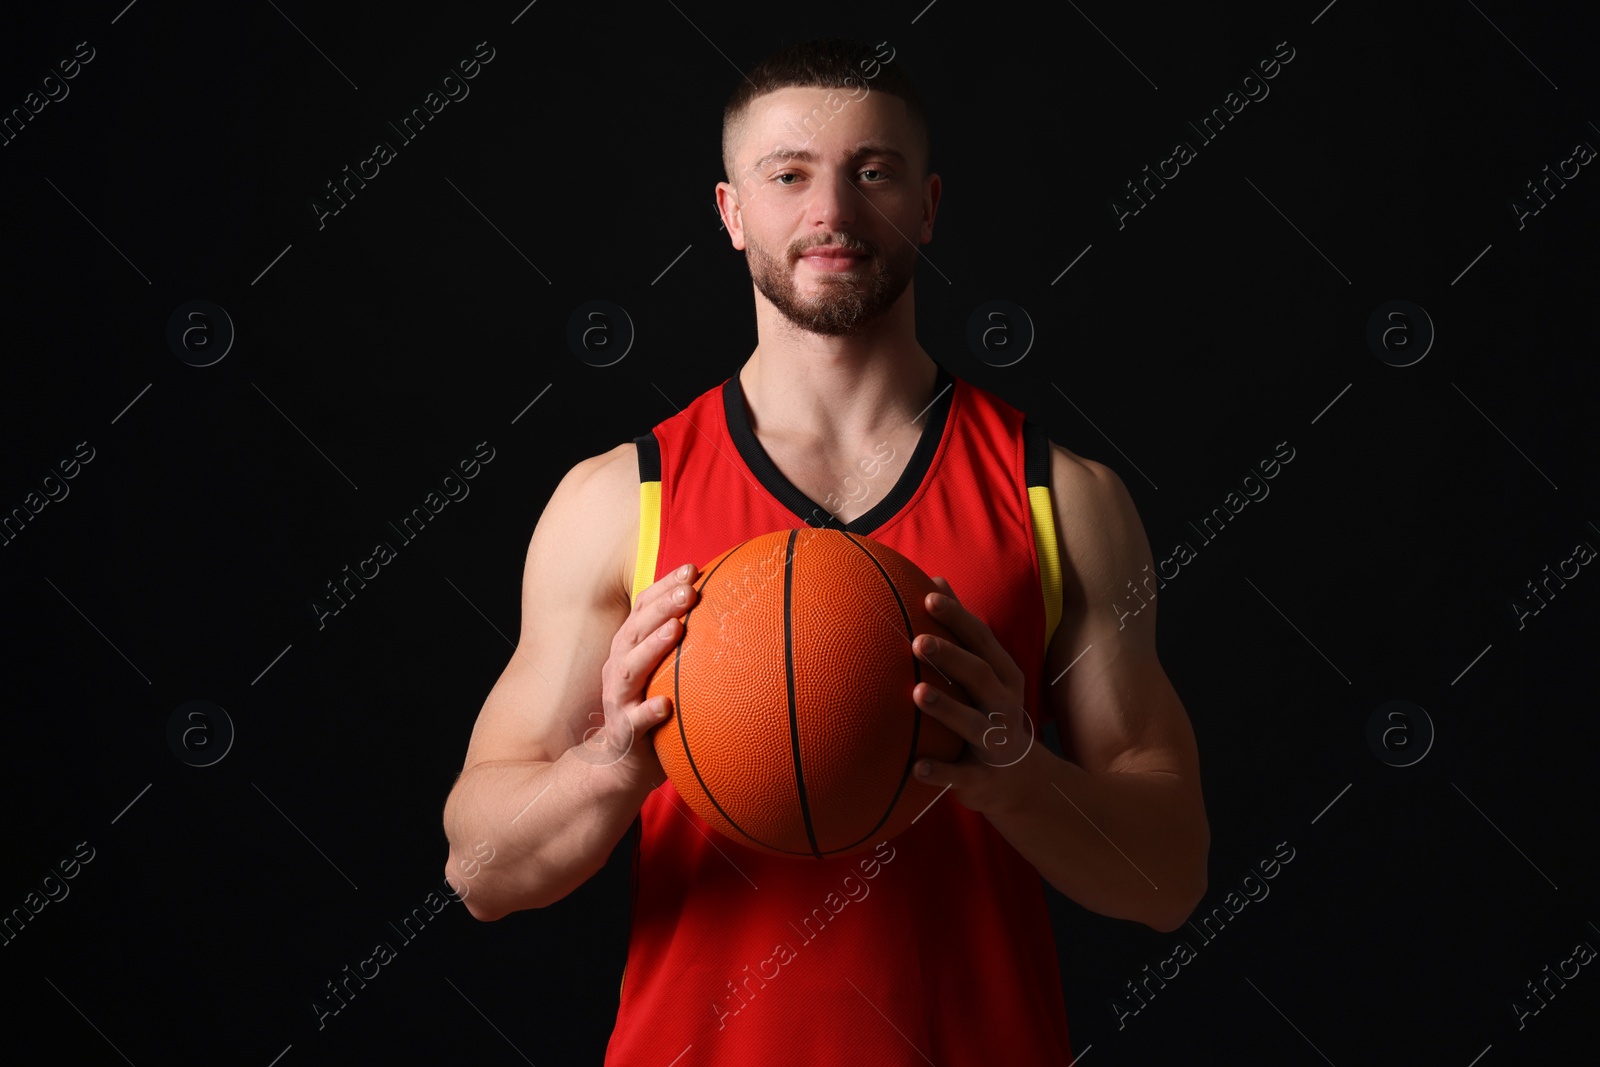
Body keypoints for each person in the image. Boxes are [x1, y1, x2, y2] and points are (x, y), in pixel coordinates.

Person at [441, 37, 1209, 1065]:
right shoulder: (620, 498)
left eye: (873, 171)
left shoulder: (1059, 495)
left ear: (928, 205)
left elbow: (1171, 878)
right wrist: (612, 762)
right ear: (730, 212)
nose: (832, 214)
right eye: (788, 174)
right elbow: (478, 870)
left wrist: (1016, 773)